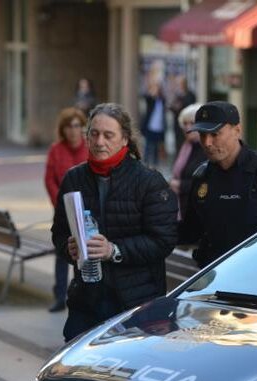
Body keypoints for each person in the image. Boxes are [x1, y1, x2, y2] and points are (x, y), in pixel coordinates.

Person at [51, 102, 178, 342]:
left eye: (108, 135)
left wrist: (114, 250)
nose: (100, 142)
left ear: (124, 140)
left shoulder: (149, 181)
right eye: (94, 134)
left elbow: (163, 240)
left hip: (135, 304)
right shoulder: (74, 178)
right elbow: (58, 233)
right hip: (86, 300)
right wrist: (69, 249)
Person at [178, 101, 257, 268]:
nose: (207, 142)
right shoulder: (202, 176)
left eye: (215, 134)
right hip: (214, 275)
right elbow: (191, 231)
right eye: (202, 134)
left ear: (237, 130)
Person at [44, 108, 89, 312]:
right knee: (62, 252)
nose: (73, 130)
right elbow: (50, 179)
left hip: (86, 212)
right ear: (63, 129)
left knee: (84, 252)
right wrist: (60, 205)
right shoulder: (56, 149)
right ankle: (59, 296)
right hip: (62, 210)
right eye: (69, 126)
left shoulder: (89, 148)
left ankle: (82, 294)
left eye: (77, 126)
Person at [170, 103, 207, 220]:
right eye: (185, 124)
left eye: (192, 123)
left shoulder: (206, 149)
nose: (188, 127)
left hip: (197, 209)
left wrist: (180, 185)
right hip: (182, 206)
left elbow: (206, 183)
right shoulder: (186, 147)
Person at [169, 75, 196, 158]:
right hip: (177, 124)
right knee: (178, 143)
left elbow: (189, 108)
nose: (179, 86)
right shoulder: (178, 95)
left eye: (180, 83)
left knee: (186, 143)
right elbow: (172, 106)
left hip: (187, 124)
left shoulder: (190, 95)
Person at [141, 80, 166, 168]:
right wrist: (151, 92)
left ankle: (155, 166)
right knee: (148, 147)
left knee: (156, 148)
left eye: (157, 88)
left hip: (159, 127)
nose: (156, 90)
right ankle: (145, 165)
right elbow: (146, 97)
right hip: (150, 126)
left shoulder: (162, 100)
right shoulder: (151, 99)